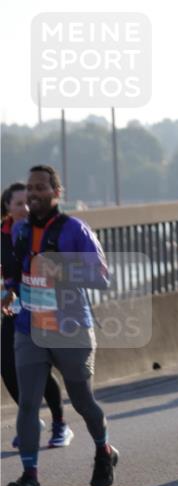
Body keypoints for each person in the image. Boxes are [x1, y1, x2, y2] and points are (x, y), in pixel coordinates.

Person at [2, 165, 115, 486]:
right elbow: (16, 269)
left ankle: (103, 450)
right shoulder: (20, 230)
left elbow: (102, 276)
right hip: (29, 327)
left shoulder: (74, 229)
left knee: (82, 400)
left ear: (56, 193)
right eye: (30, 188)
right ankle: (30, 478)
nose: (34, 193)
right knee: (27, 403)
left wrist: (62, 268)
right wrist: (10, 291)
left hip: (71, 327)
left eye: (41, 187)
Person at [1, 183, 70, 450]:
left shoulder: (38, 231)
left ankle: (60, 423)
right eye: (18, 203)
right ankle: (30, 420)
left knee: (41, 367)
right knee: (7, 367)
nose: (25, 208)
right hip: (12, 310)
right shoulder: (2, 235)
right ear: (7, 207)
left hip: (42, 307)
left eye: (28, 202)